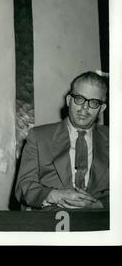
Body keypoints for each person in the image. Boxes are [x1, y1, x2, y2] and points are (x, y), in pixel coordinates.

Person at [15, 71, 109, 210]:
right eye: (79, 98)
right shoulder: (39, 136)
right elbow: (23, 188)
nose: (84, 107)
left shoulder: (115, 139)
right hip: (50, 221)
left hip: (100, 223)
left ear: (102, 108)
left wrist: (99, 205)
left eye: (94, 102)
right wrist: (54, 195)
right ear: (68, 100)